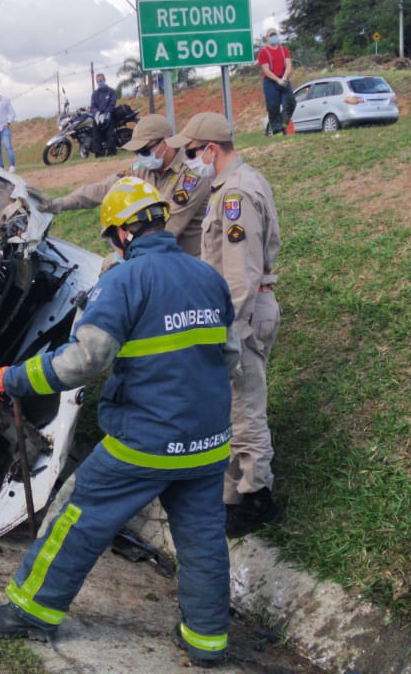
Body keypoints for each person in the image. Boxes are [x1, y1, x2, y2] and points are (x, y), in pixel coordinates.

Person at [0, 177, 238, 668]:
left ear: (121, 233)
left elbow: (85, 362)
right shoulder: (208, 277)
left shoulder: (123, 281)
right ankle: (207, 642)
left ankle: (32, 610)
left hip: (145, 442)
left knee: (78, 515)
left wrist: (16, 379)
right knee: (202, 540)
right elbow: (230, 357)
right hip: (207, 443)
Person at [165, 112, 282, 538]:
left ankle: (257, 500)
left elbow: (240, 276)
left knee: (245, 409)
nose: (189, 160)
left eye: (192, 152)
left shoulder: (235, 195)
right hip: (237, 311)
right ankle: (233, 495)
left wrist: (225, 330)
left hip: (242, 314)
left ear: (211, 149)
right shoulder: (233, 185)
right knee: (233, 407)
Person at [36, 114, 212, 257]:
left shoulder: (192, 175)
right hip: (153, 256)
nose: (141, 157)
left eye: (144, 151)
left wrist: (121, 256)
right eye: (137, 152)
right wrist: (61, 203)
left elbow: (168, 228)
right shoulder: (143, 170)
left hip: (186, 263)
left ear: (164, 143)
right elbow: (104, 188)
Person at [258, 28, 294, 136]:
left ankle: (283, 125)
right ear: (267, 38)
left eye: (275, 34)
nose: (273, 37)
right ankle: (277, 130)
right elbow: (266, 70)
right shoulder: (263, 53)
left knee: (291, 103)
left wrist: (284, 78)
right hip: (271, 82)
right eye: (271, 35)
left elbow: (288, 65)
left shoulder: (284, 50)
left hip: (283, 79)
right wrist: (277, 80)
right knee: (273, 107)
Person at [89, 72, 118, 156]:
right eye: (98, 81)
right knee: (96, 135)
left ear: (104, 80)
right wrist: (96, 113)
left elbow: (112, 104)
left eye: (101, 81)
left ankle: (111, 152)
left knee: (110, 135)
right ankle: (99, 153)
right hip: (98, 117)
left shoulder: (111, 92)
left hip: (109, 115)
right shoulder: (95, 94)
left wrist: (106, 113)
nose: (99, 83)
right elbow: (92, 105)